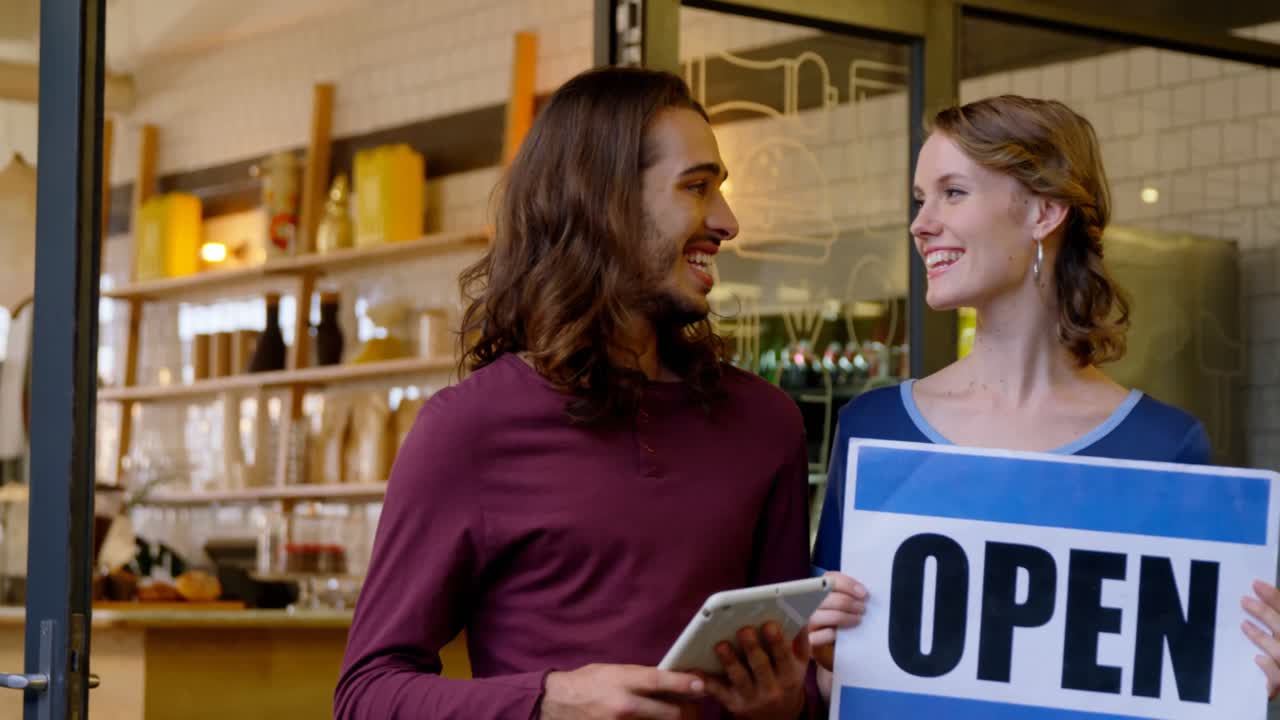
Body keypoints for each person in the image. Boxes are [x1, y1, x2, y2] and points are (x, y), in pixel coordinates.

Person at [335, 66, 834, 720]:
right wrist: (547, 701)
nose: (726, 220)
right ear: (603, 203)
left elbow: (792, 683)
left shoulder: (766, 425)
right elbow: (367, 695)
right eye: (696, 187)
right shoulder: (467, 429)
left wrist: (784, 704)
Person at [804, 94, 1280, 700]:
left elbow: (1161, 688)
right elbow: (834, 685)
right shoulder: (874, 427)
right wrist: (818, 657)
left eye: (952, 193)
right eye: (921, 199)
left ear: (1044, 211)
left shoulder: (1162, 444)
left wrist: (1236, 677)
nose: (921, 224)